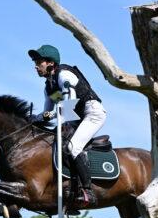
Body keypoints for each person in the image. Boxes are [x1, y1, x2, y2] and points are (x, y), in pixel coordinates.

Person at [28, 44, 106, 205]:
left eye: (39, 62)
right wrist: (32, 119)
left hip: (92, 113)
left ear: (50, 63)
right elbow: (47, 113)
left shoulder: (64, 75)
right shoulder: (49, 87)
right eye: (35, 62)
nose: (35, 66)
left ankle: (88, 191)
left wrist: (51, 116)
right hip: (76, 117)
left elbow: (68, 106)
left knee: (72, 147)